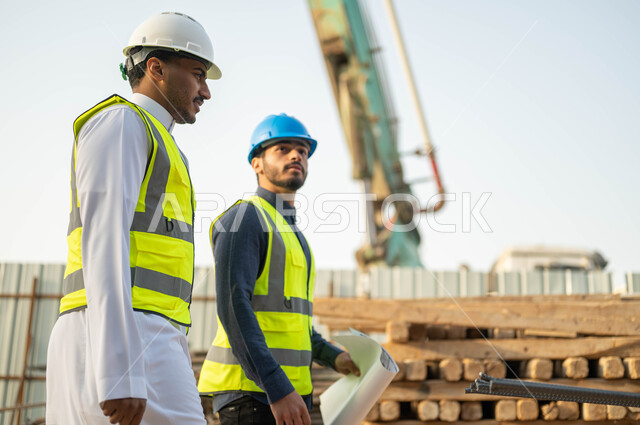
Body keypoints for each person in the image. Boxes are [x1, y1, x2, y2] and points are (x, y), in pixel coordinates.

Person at [46, 12, 221, 425]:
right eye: (198, 74)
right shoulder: (122, 122)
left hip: (146, 333)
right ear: (156, 69)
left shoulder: (162, 143)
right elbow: (103, 241)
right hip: (121, 335)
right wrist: (117, 368)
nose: (206, 92)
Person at [198, 114, 361, 425]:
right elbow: (234, 308)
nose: (296, 155)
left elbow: (292, 326)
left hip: (287, 396)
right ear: (257, 163)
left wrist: (333, 357)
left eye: (302, 150)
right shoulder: (246, 218)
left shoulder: (294, 236)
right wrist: (275, 386)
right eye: (282, 148)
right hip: (252, 396)